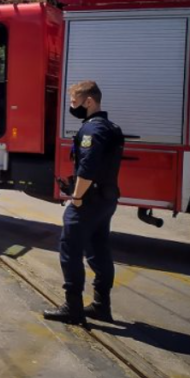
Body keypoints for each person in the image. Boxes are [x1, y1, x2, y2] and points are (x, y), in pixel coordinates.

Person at [44, 81, 124, 326]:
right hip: (106, 199)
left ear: (89, 101)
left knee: (70, 250)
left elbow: (87, 169)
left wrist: (76, 198)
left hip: (89, 201)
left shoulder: (92, 130)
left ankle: (73, 308)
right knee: (100, 249)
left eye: (74, 101)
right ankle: (101, 306)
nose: (72, 106)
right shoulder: (111, 127)